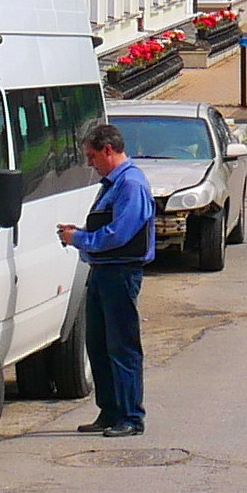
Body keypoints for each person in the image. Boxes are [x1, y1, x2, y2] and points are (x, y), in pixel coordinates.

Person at [68, 122, 159, 437]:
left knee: (122, 346)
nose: (90, 163)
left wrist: (80, 239)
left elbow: (120, 234)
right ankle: (109, 411)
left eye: (92, 156)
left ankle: (131, 416)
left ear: (108, 150)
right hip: (103, 271)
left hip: (120, 272)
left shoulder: (131, 184)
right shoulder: (113, 184)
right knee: (98, 342)